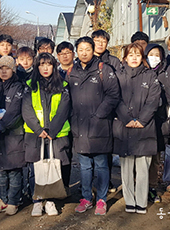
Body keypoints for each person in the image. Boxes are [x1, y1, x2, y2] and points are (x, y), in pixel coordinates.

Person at [66, 36, 120, 216]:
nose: (84, 52)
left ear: (93, 49)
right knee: (84, 166)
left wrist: (99, 115)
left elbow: (113, 95)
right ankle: (86, 198)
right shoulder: (71, 71)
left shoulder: (104, 69)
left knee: (101, 164)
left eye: (87, 49)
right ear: (77, 51)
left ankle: (102, 199)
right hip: (79, 127)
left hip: (99, 126)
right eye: (80, 49)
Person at [113, 43, 160, 214]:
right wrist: (127, 118)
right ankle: (130, 200)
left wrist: (141, 120)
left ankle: (141, 202)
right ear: (125, 57)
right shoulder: (117, 76)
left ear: (143, 57)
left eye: (138, 55)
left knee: (142, 169)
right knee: (126, 170)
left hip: (144, 128)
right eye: (130, 55)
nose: (134, 58)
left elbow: (153, 100)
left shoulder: (150, 76)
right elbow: (115, 98)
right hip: (124, 127)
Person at [22, 52, 71, 217]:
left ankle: (50, 200)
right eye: (41, 64)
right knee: (35, 168)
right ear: (37, 67)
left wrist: (53, 130)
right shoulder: (30, 85)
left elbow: (65, 108)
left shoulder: (63, 85)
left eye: (48, 64)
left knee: (53, 167)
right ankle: (37, 200)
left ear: (54, 66)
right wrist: (38, 129)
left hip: (55, 135)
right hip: (35, 135)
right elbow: (26, 110)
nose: (45, 68)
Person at [0, 56, 25, 216]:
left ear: (13, 70)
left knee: (14, 171)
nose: (4, 71)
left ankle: (13, 201)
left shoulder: (19, 87)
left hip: (13, 135)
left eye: (7, 68)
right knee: (0, 171)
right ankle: (2, 200)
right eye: (1, 68)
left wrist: (0, 127)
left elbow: (15, 112)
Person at [91, 29, 121, 193]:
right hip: (88, 110)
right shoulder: (86, 60)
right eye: (97, 40)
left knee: (106, 149)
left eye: (103, 41)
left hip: (108, 111)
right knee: (88, 150)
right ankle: (88, 182)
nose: (100, 43)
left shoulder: (114, 62)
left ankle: (106, 181)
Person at [144, 43, 168, 203]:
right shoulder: (141, 72)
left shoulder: (166, 73)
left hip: (161, 122)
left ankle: (152, 187)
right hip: (142, 122)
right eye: (150, 54)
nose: (154, 57)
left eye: (157, 54)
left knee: (155, 157)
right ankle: (139, 187)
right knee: (141, 157)